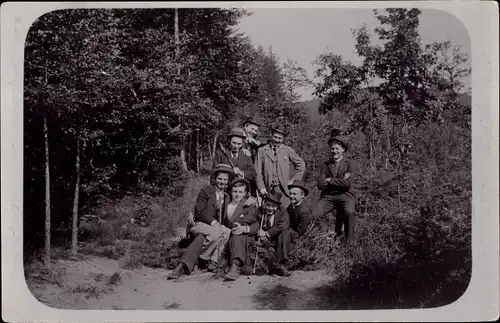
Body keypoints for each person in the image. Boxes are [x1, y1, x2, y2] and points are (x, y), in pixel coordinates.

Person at [167, 164, 234, 280]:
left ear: (228, 181)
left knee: (227, 232)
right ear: (215, 179)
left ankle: (213, 261)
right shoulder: (206, 191)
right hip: (201, 223)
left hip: (215, 226)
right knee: (214, 234)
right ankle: (203, 258)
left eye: (225, 179)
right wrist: (213, 223)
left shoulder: (227, 196)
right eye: (220, 179)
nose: (222, 182)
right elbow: (199, 211)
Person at [312, 134, 356, 244]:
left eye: (337, 148)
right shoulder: (325, 165)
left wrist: (330, 180)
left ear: (343, 149)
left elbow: (347, 184)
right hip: (328, 196)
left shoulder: (349, 163)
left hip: (345, 195)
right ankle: (316, 239)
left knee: (349, 212)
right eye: (332, 148)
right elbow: (320, 185)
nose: (334, 151)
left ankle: (349, 242)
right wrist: (339, 181)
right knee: (314, 214)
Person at [255, 125, 306, 209]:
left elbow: (301, 164)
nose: (277, 140)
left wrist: (293, 180)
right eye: (275, 137)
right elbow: (257, 171)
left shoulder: (287, 150)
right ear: (271, 136)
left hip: (283, 189)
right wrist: (261, 187)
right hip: (268, 189)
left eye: (280, 138)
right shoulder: (262, 150)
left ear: (283, 139)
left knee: (283, 211)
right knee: (268, 211)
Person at [221, 178, 259, 281]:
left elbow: (255, 221)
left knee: (237, 232)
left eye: (240, 192)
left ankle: (235, 267)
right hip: (225, 233)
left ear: (245, 193)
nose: (237, 194)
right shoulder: (225, 203)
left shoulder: (248, 205)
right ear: (230, 191)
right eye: (235, 191)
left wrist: (244, 227)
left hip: (239, 235)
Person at [252, 191, 291, 276]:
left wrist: (266, 234)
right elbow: (253, 222)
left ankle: (282, 263)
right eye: (268, 205)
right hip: (261, 239)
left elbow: (284, 225)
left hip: (275, 237)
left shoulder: (282, 212)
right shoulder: (259, 211)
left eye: (273, 206)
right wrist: (259, 233)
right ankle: (267, 266)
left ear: (278, 206)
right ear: (264, 204)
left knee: (285, 232)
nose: (270, 208)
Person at [213, 127, 257, 197]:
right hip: (224, 192)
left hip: (241, 193)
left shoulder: (246, 154)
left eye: (239, 144)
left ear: (242, 143)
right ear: (229, 141)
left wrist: (241, 172)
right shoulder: (220, 153)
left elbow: (253, 174)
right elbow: (214, 173)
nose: (236, 146)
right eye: (234, 143)